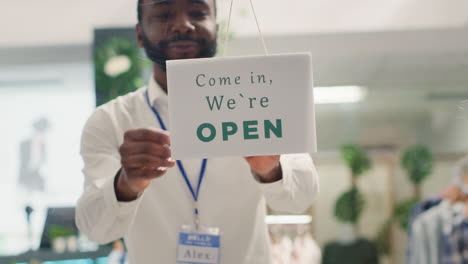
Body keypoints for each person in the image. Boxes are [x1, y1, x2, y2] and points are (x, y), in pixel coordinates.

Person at [75, 0, 319, 263]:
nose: (183, 25)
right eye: (164, 14)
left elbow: (302, 198)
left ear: (216, 25)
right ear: (139, 34)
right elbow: (95, 230)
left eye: (198, 13)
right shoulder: (110, 121)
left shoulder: (258, 100)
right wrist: (125, 184)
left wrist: (271, 171)